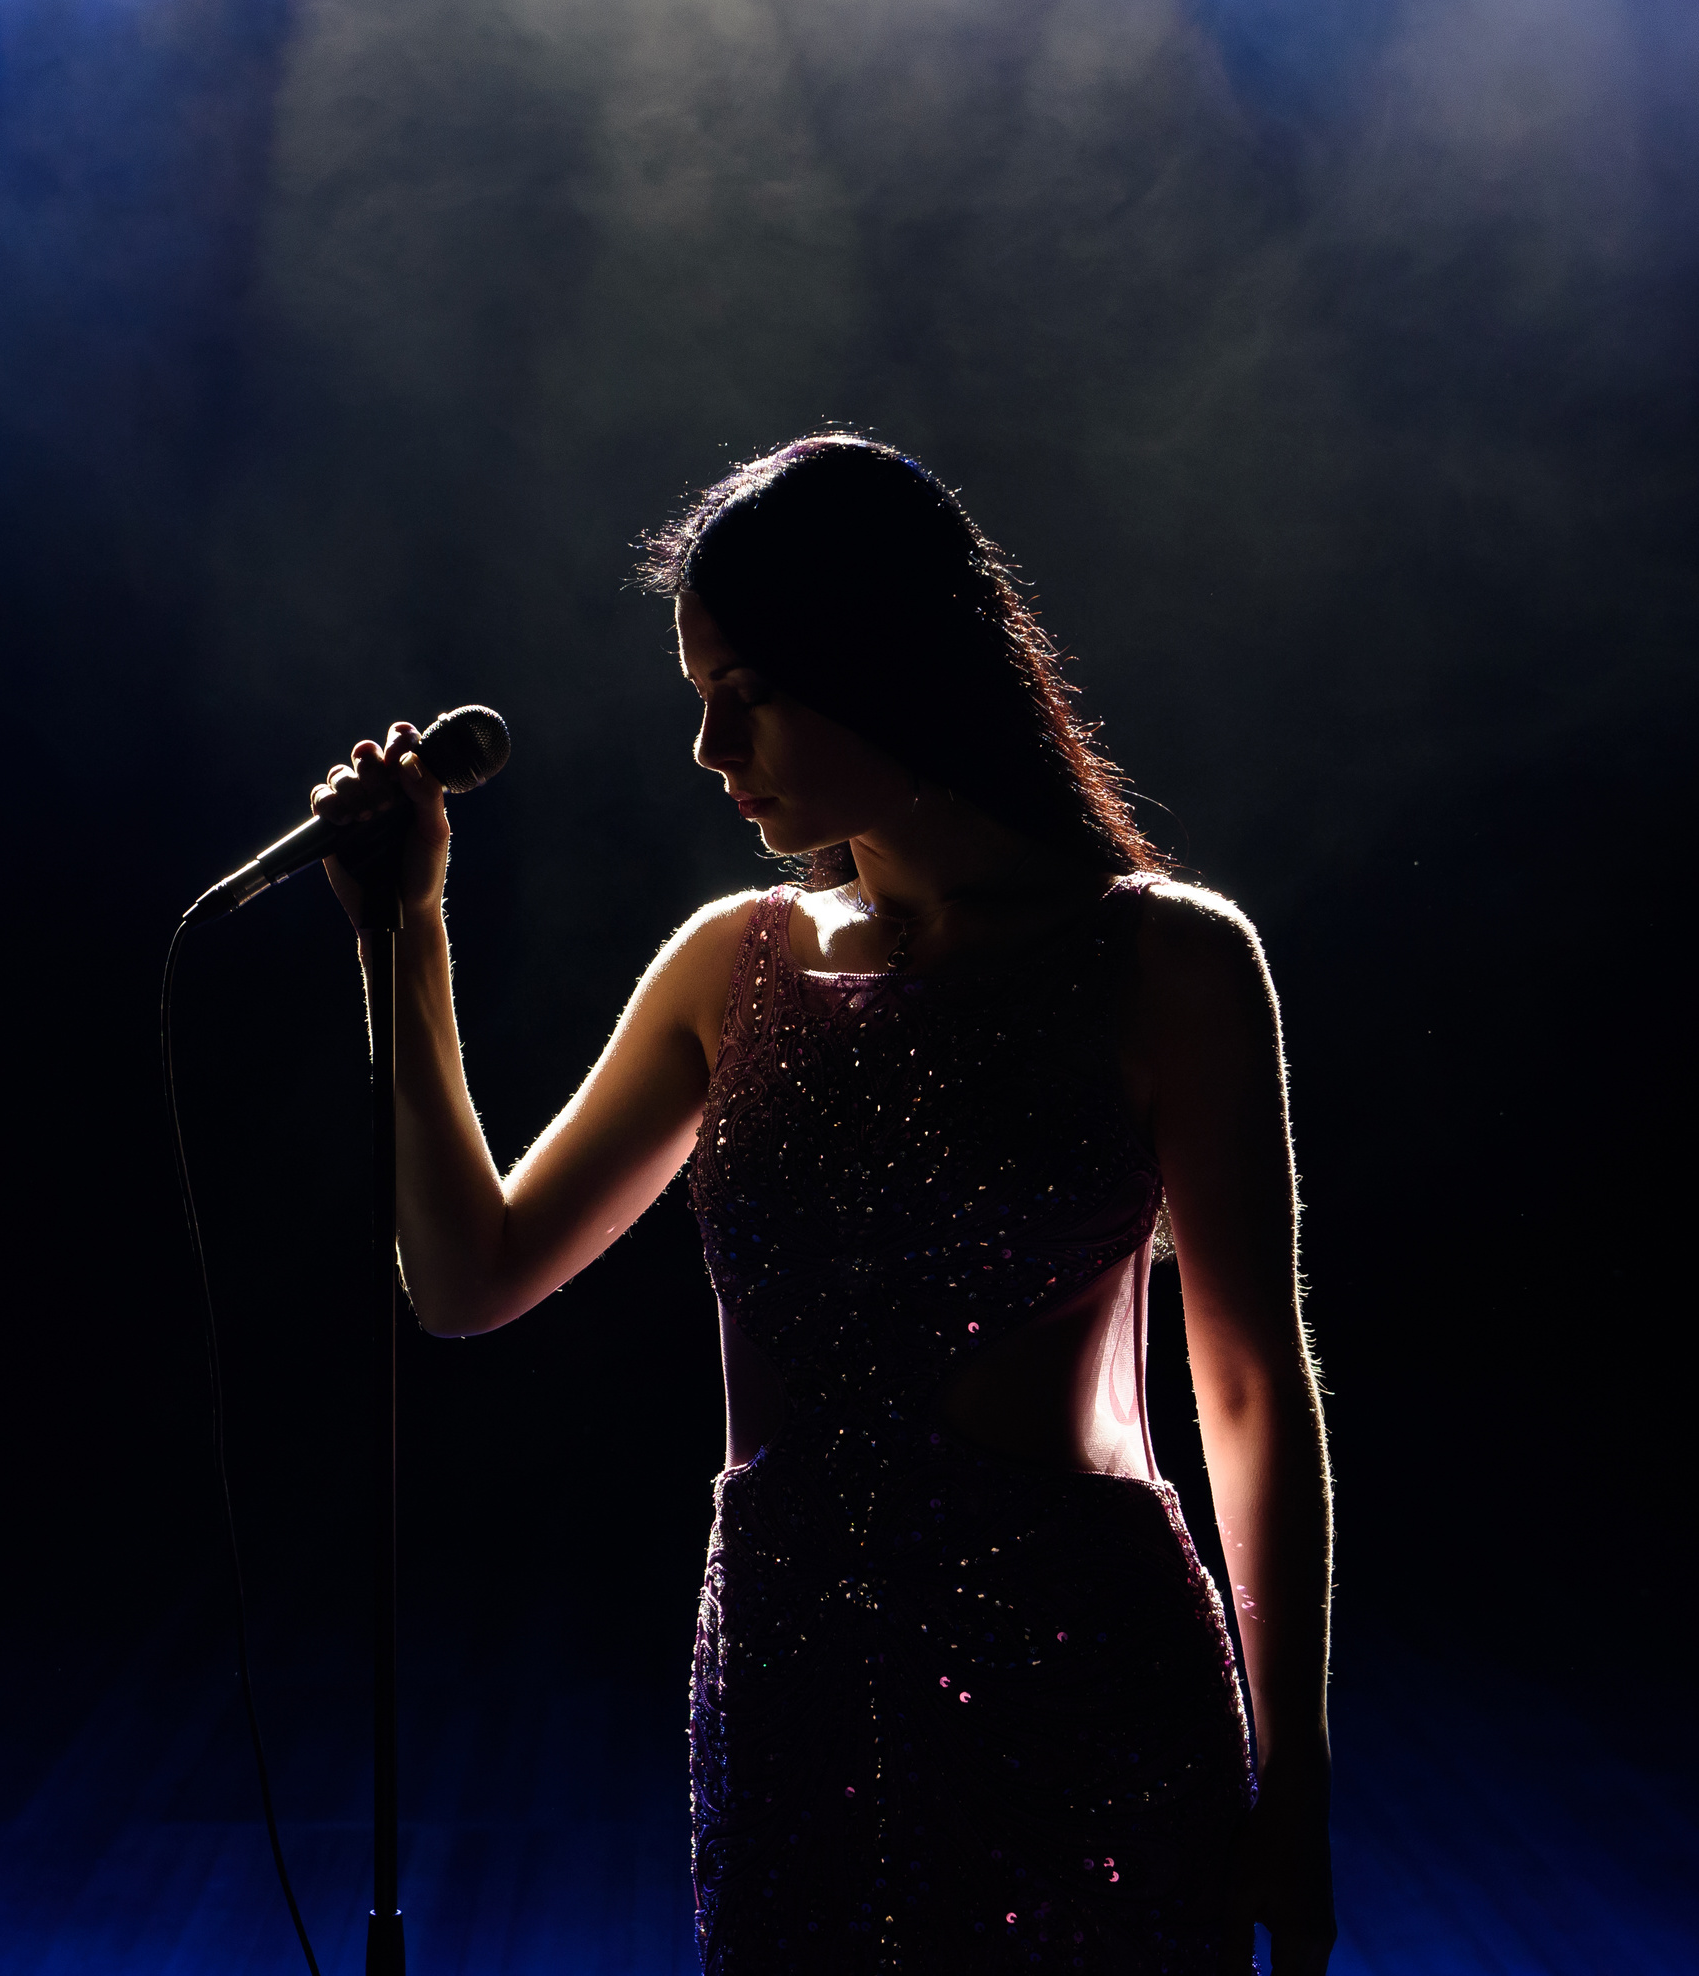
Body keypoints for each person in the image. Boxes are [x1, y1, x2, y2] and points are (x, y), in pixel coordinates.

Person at [312, 436, 1333, 1973]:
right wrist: (405, 940)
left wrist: (1295, 1774)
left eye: (747, 694)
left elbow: (1252, 1389)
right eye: (697, 696)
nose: (713, 750)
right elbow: (466, 1277)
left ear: (888, 662)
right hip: (792, 1722)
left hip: (1086, 1710)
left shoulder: (1171, 962)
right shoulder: (731, 970)